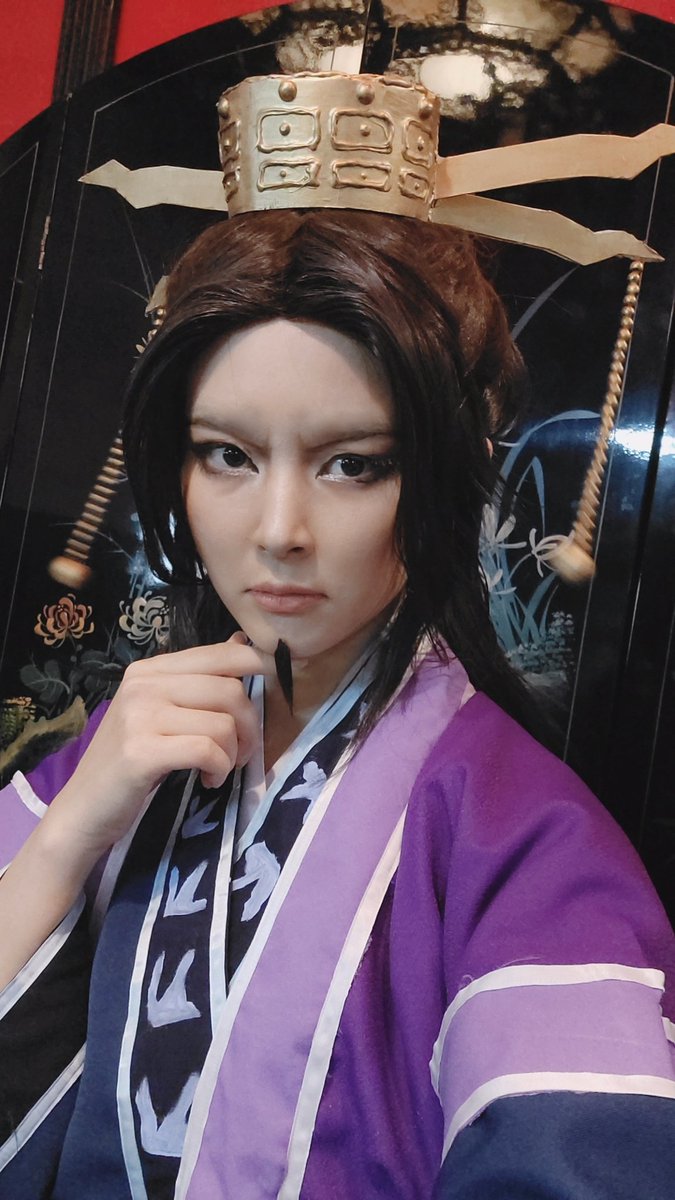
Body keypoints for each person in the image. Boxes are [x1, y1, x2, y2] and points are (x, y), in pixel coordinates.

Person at [1, 73, 675, 1200]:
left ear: (443, 476)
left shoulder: (526, 844)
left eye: (353, 464)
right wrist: (69, 834)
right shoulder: (124, 755)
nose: (279, 531)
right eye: (226, 454)